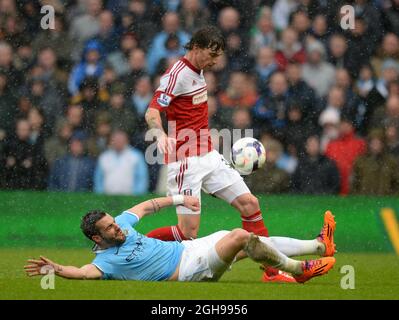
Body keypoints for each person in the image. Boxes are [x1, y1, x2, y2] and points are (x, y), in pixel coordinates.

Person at [144, 26, 293, 282]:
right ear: (197, 47)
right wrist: (159, 134)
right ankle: (135, 248)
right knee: (187, 233)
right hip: (185, 162)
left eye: (218, 56)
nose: (215, 62)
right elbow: (152, 111)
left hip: (209, 155)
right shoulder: (176, 74)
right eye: (212, 55)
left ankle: (271, 272)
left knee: (250, 204)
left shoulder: (199, 71)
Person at [24, 194, 336, 283]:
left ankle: (320, 245)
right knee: (242, 236)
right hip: (190, 270)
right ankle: (298, 270)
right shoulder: (104, 263)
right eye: (109, 229)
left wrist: (177, 199)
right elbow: (81, 272)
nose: (117, 228)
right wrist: (56, 270)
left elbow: (146, 206)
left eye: (114, 223)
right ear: (96, 237)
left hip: (188, 248)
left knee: (250, 239)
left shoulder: (120, 223)